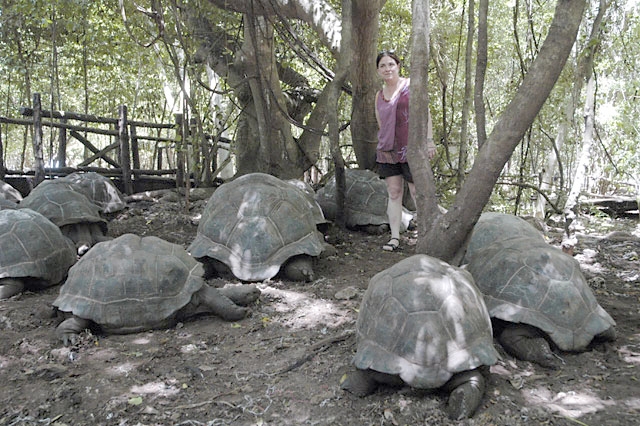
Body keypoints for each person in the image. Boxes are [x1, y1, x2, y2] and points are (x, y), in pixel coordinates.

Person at [375, 50, 435, 252]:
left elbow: (425, 114)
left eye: (391, 64)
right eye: (382, 65)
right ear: (378, 70)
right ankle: (394, 237)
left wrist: (429, 141)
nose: (387, 69)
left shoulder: (410, 86)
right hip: (388, 150)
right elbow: (380, 122)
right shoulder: (379, 96)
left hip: (412, 148)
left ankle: (427, 236)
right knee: (394, 192)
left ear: (398, 65)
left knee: (418, 191)